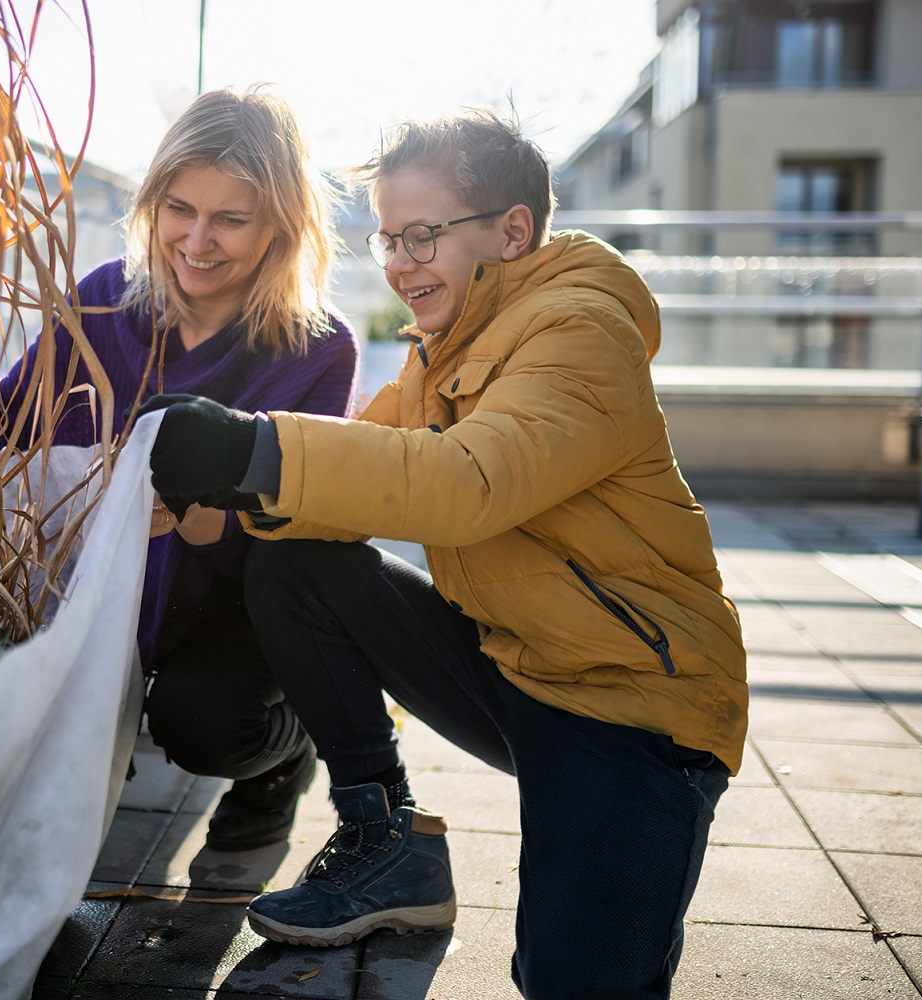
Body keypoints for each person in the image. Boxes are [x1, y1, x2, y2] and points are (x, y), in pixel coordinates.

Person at [141, 109, 748, 999]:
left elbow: (465, 484)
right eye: (389, 238)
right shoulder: (442, 353)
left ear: (512, 230)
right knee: (296, 563)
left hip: (631, 712)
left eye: (422, 236)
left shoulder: (579, 333)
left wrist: (250, 449)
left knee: (572, 981)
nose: (397, 262)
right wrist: (220, 494)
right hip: (512, 668)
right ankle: (385, 844)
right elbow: (343, 484)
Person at [0, 88, 357, 852]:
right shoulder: (100, 304)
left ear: (280, 227)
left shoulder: (318, 349)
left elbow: (293, 541)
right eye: (179, 207)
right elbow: (1, 418)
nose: (196, 239)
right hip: (96, 593)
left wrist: (192, 510)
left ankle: (286, 757)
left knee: (207, 728)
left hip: (229, 606)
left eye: (230, 218)